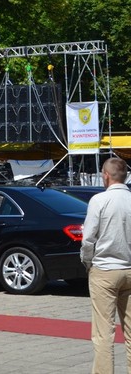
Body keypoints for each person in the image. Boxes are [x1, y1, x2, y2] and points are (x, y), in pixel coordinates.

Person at [81, 157, 131, 374]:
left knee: (104, 333)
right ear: (126, 176)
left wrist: (87, 262)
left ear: (106, 175)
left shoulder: (99, 200)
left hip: (104, 269)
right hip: (130, 268)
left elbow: (88, 238)